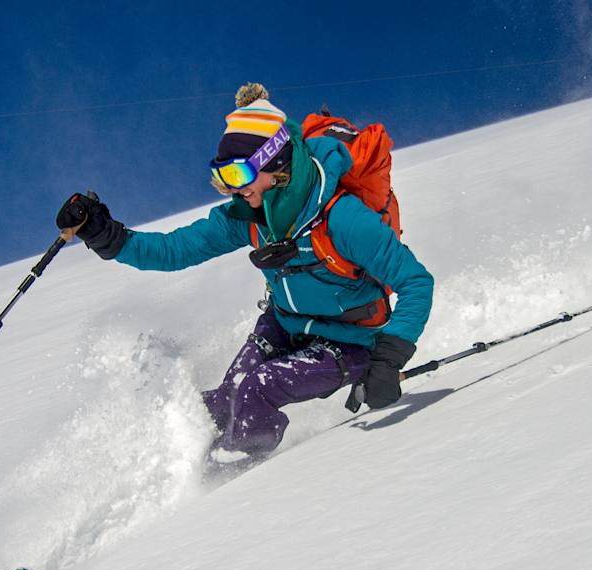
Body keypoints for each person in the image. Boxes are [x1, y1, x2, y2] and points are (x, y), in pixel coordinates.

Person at [55, 84, 433, 476]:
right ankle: (169, 466)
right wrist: (103, 233)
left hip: (352, 341)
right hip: (287, 322)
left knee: (256, 389)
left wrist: (387, 363)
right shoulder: (250, 217)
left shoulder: (344, 220)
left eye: (238, 173)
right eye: (223, 176)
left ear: (275, 161)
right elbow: (172, 250)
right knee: (227, 396)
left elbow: (417, 283)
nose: (233, 188)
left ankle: (228, 485)